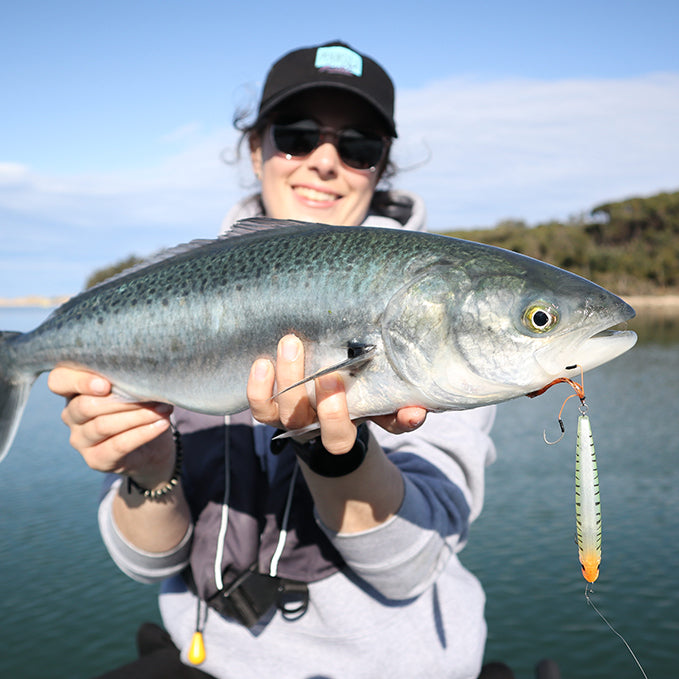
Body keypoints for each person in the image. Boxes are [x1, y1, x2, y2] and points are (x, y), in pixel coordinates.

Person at [48, 42, 501, 679]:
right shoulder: (174, 290)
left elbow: (409, 570)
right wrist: (151, 467)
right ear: (256, 148)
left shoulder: (434, 300)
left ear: (381, 167)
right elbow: (146, 562)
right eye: (295, 137)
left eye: (358, 146)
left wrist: (332, 452)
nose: (324, 163)